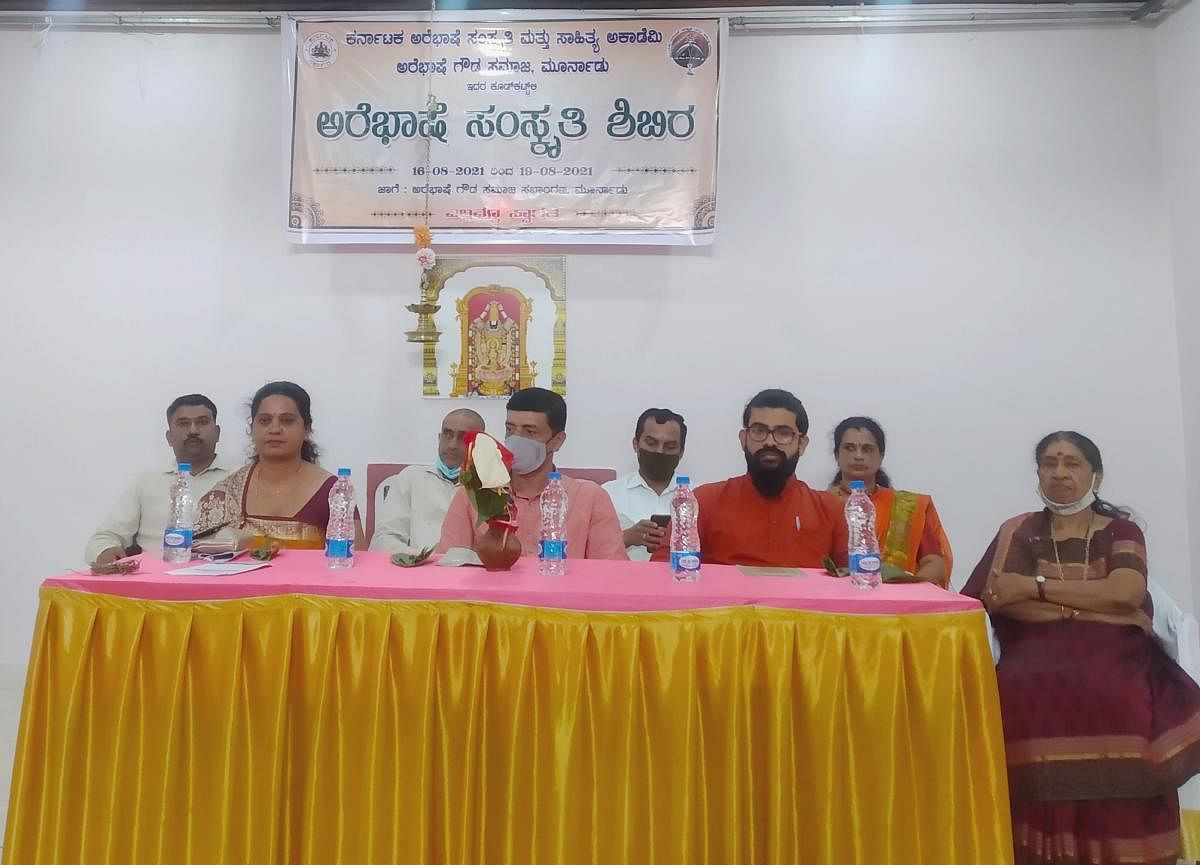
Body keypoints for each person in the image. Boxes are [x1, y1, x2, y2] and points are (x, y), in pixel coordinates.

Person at [963, 431, 1200, 865]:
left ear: (1096, 475)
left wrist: (1034, 586)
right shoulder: (1018, 530)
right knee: (1020, 686)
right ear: (1037, 473)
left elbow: (1127, 592)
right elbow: (998, 598)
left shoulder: (1122, 530)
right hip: (1032, 653)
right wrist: (1091, 606)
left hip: (1117, 657)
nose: (1059, 473)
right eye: (1049, 463)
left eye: (1071, 463)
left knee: (1118, 691)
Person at [656, 389, 848, 568]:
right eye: (759, 431)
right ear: (743, 439)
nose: (769, 441)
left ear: (802, 444)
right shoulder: (703, 502)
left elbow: (858, 581)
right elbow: (662, 571)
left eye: (783, 433)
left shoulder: (831, 511)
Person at [437, 387, 626, 560]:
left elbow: (610, 573)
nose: (516, 440)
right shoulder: (473, 493)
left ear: (557, 441)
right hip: (492, 597)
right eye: (510, 429)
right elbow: (450, 564)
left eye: (530, 432)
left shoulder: (590, 498)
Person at [194, 381, 363, 549]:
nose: (274, 429)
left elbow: (356, 563)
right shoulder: (226, 494)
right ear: (251, 429)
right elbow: (196, 558)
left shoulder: (333, 493)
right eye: (264, 420)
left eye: (287, 421)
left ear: (307, 429)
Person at [85, 394, 231, 565]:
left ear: (218, 433)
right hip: (155, 583)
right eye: (183, 424)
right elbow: (105, 536)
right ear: (169, 437)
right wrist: (106, 551)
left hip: (222, 582)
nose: (193, 430)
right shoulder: (147, 483)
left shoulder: (242, 479)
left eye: (202, 422)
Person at [826, 416, 953, 586]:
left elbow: (934, 563)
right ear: (837, 455)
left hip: (896, 606)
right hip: (835, 603)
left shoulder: (906, 507)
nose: (858, 456)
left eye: (867, 449)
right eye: (849, 448)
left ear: (881, 456)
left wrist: (907, 590)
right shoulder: (821, 504)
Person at [369, 408, 486, 555]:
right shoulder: (411, 478)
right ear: (439, 438)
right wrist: (423, 559)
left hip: (466, 573)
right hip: (414, 570)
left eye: (462, 438)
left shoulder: (490, 489)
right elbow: (384, 540)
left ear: (480, 444)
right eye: (447, 435)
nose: (452, 445)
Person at [602, 408, 687, 561]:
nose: (659, 452)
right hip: (622, 581)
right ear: (636, 445)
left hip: (681, 580)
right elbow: (591, 551)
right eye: (651, 443)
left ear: (681, 452)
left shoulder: (698, 496)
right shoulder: (608, 494)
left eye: (669, 447)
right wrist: (626, 538)